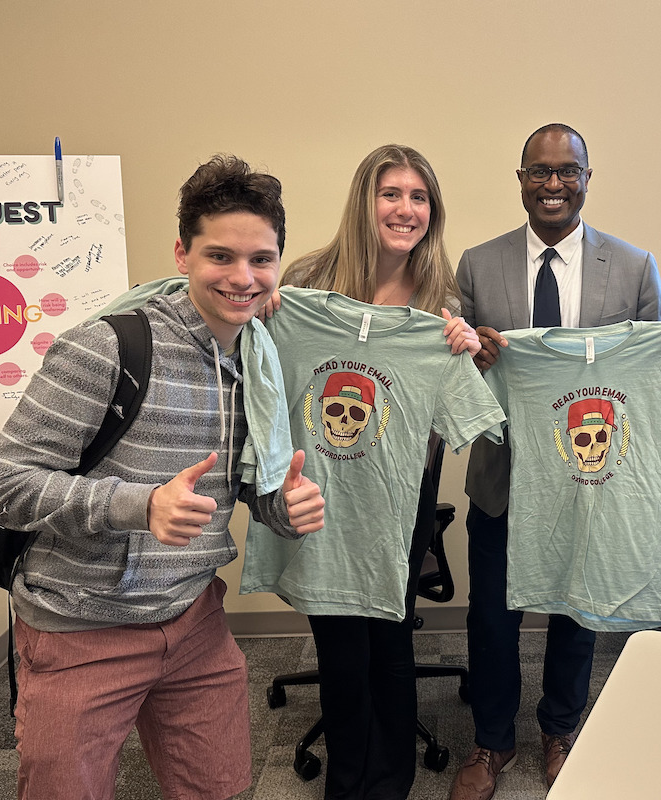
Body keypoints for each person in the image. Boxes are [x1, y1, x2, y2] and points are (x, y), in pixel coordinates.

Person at [0, 154, 325, 800]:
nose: (243, 278)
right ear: (182, 253)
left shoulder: (257, 356)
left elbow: (238, 486)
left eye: (261, 259)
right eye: (220, 257)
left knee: (220, 789)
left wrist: (282, 507)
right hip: (80, 628)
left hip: (193, 620)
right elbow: (2, 485)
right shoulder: (107, 347)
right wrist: (138, 505)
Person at [449, 123, 661, 800]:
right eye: (541, 171)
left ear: (587, 178)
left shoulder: (634, 266)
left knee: (579, 611)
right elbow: (447, 379)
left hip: (595, 477)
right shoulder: (476, 264)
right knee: (493, 618)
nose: (554, 184)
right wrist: (474, 358)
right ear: (521, 178)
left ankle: (561, 727)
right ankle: (490, 741)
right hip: (503, 478)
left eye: (568, 171)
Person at [264, 143, 486, 800]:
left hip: (397, 490)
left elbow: (458, 413)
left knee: (388, 631)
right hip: (317, 486)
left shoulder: (442, 297)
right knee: (337, 639)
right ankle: (348, 774)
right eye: (392, 193)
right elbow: (262, 373)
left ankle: (389, 778)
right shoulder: (307, 279)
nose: (406, 209)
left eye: (419, 197)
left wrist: (465, 353)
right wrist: (262, 317)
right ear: (365, 201)